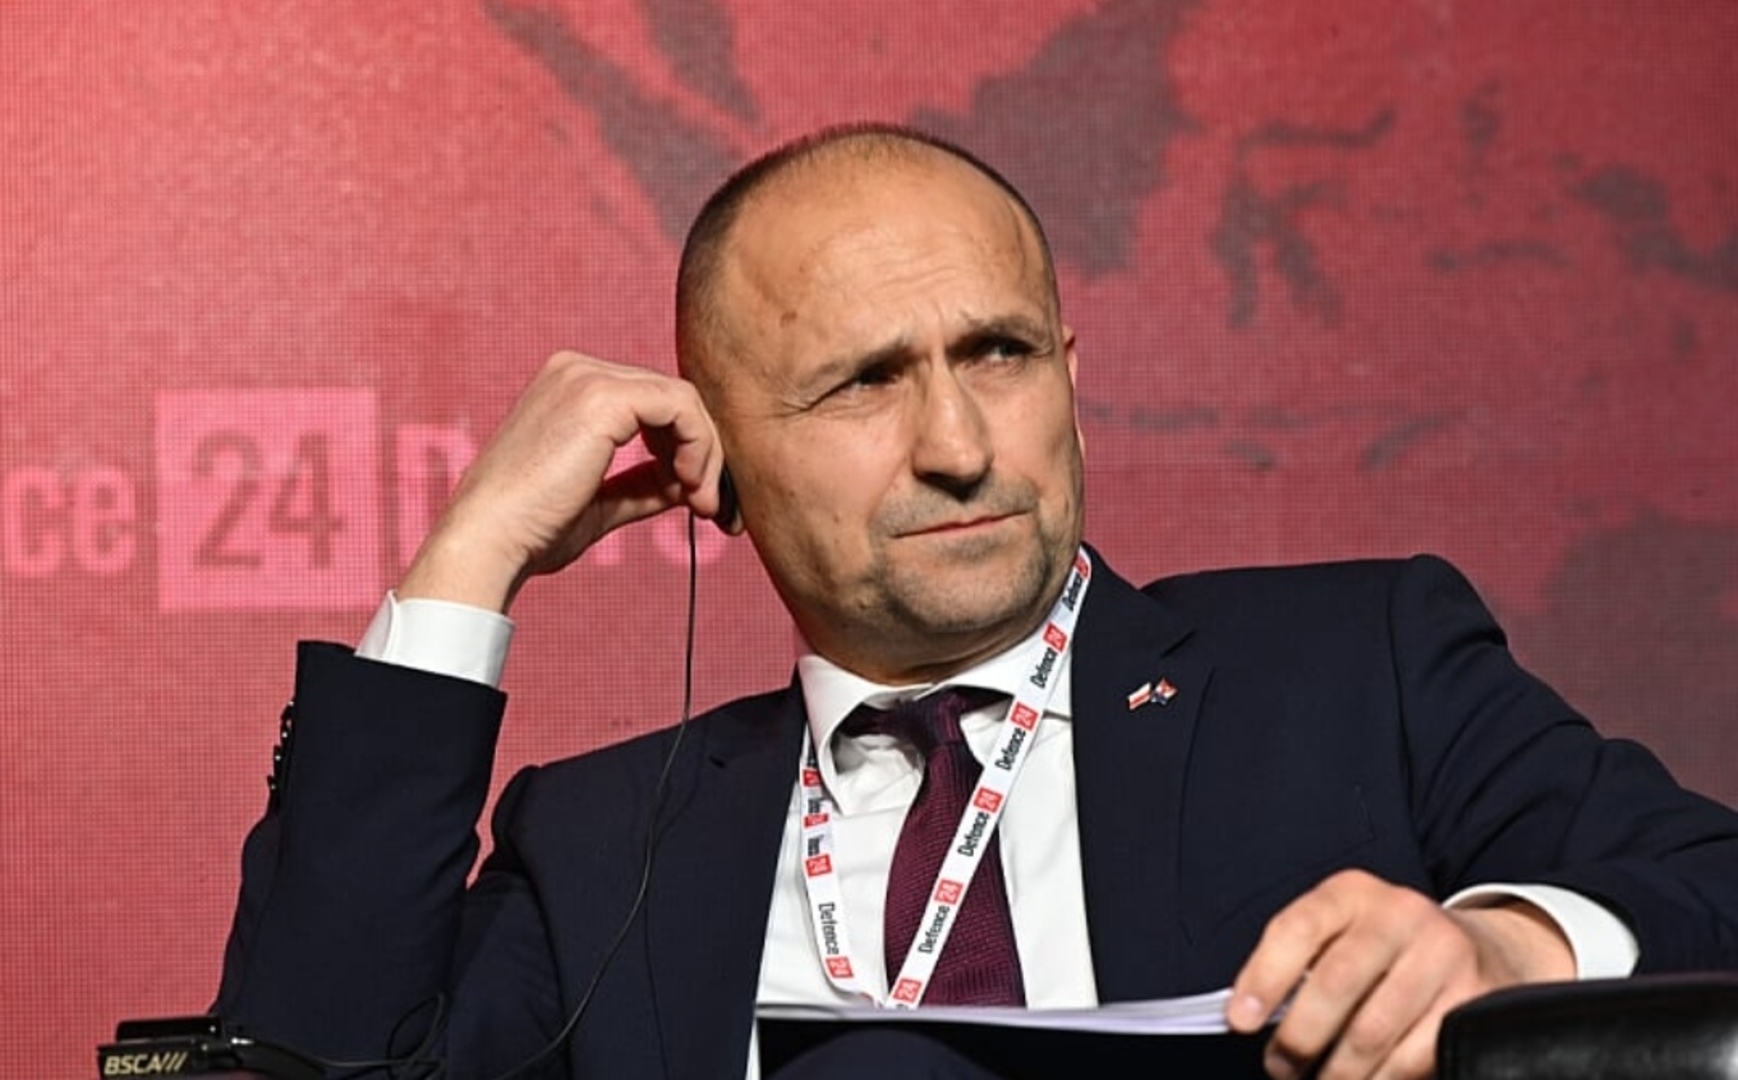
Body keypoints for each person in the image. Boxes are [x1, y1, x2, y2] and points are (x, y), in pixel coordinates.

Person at [216, 124, 1738, 1080]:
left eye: (999, 355)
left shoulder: (1357, 666)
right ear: (712, 454)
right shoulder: (607, 841)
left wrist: (1506, 953)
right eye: (864, 383)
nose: (958, 445)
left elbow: (1707, 881)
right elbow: (302, 1058)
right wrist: (469, 557)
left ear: (1070, 376)